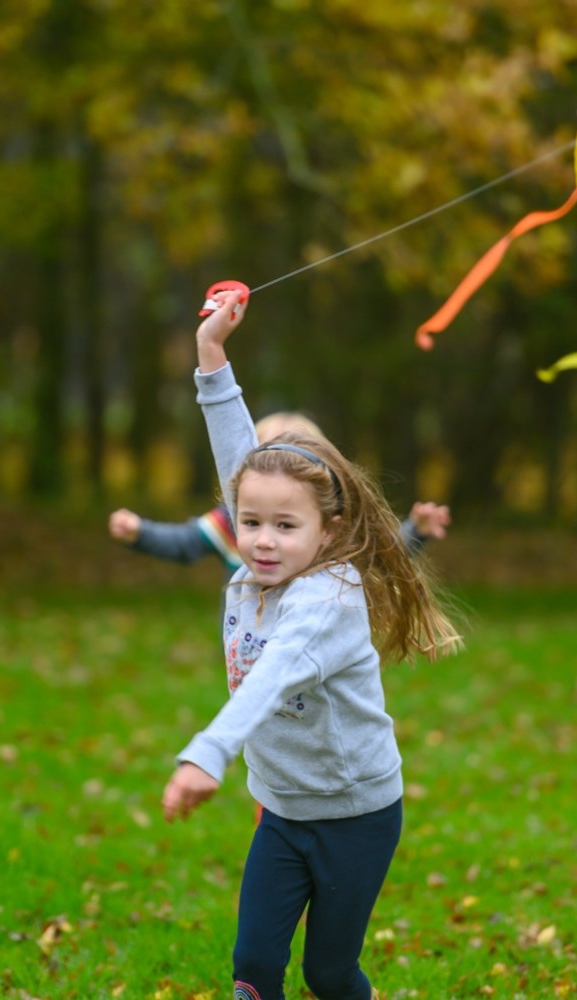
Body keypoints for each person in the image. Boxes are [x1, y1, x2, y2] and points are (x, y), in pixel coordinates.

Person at [161, 287, 462, 1000]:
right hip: (284, 810)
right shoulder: (254, 558)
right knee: (254, 965)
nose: (263, 540)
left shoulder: (327, 598)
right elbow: (246, 465)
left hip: (355, 813)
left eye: (285, 527)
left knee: (329, 973)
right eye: (251, 523)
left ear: (325, 531)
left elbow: (271, 678)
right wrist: (211, 355)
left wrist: (208, 752)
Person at [108, 417, 451, 575]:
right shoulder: (232, 521)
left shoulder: (329, 529)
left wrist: (414, 532)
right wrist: (141, 532)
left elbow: (377, 556)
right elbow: (186, 542)